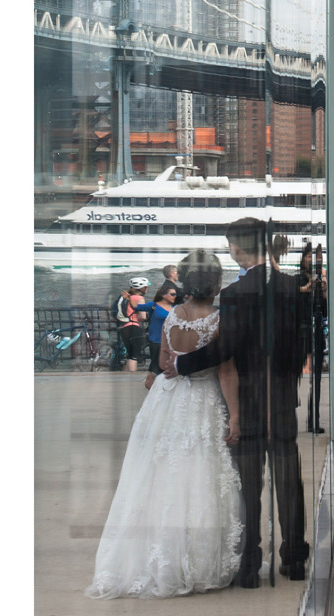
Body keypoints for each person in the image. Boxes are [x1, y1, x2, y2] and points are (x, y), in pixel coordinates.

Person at [161, 218, 312, 586]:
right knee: (288, 479)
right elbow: (301, 343)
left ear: (236, 248)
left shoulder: (233, 294)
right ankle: (293, 558)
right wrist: (287, 381)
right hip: (281, 398)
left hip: (246, 398)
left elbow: (226, 349)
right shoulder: (292, 286)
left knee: (247, 481)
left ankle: (249, 563)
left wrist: (181, 365)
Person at [86, 249, 242, 599]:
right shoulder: (217, 320)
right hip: (203, 399)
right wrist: (234, 415)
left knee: (158, 475)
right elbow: (226, 371)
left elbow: (163, 361)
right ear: (216, 284)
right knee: (198, 475)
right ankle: (197, 561)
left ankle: (158, 557)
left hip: (167, 400)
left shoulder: (171, 317)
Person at [113, 277, 151, 373]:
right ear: (142, 288)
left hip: (124, 327)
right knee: (134, 355)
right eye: (146, 287)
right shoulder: (139, 298)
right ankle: (131, 378)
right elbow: (143, 316)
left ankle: (124, 376)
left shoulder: (124, 298)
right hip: (134, 327)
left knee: (130, 354)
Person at [141, 282, 174, 386]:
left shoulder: (174, 307)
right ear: (164, 295)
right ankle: (150, 381)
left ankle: (160, 383)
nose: (175, 296)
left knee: (165, 362)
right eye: (172, 294)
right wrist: (129, 299)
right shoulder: (153, 305)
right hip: (156, 339)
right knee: (156, 361)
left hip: (169, 339)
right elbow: (137, 307)